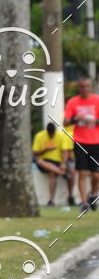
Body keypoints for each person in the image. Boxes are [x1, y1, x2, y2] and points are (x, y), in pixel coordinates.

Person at [64, 77, 99, 211]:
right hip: (80, 141)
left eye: (87, 86)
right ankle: (84, 203)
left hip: (96, 141)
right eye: (82, 86)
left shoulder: (96, 100)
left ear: (90, 87)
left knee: (96, 175)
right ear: (79, 88)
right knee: (82, 173)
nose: (85, 89)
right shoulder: (73, 102)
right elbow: (65, 122)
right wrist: (75, 119)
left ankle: (93, 194)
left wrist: (93, 121)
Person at [31, 121, 74, 206]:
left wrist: (64, 163)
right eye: (50, 134)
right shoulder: (39, 136)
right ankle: (62, 173)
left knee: (52, 173)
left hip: (57, 162)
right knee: (39, 161)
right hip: (44, 160)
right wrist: (45, 150)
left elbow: (65, 151)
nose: (51, 135)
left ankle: (52, 200)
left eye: (52, 134)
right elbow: (35, 153)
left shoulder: (60, 136)